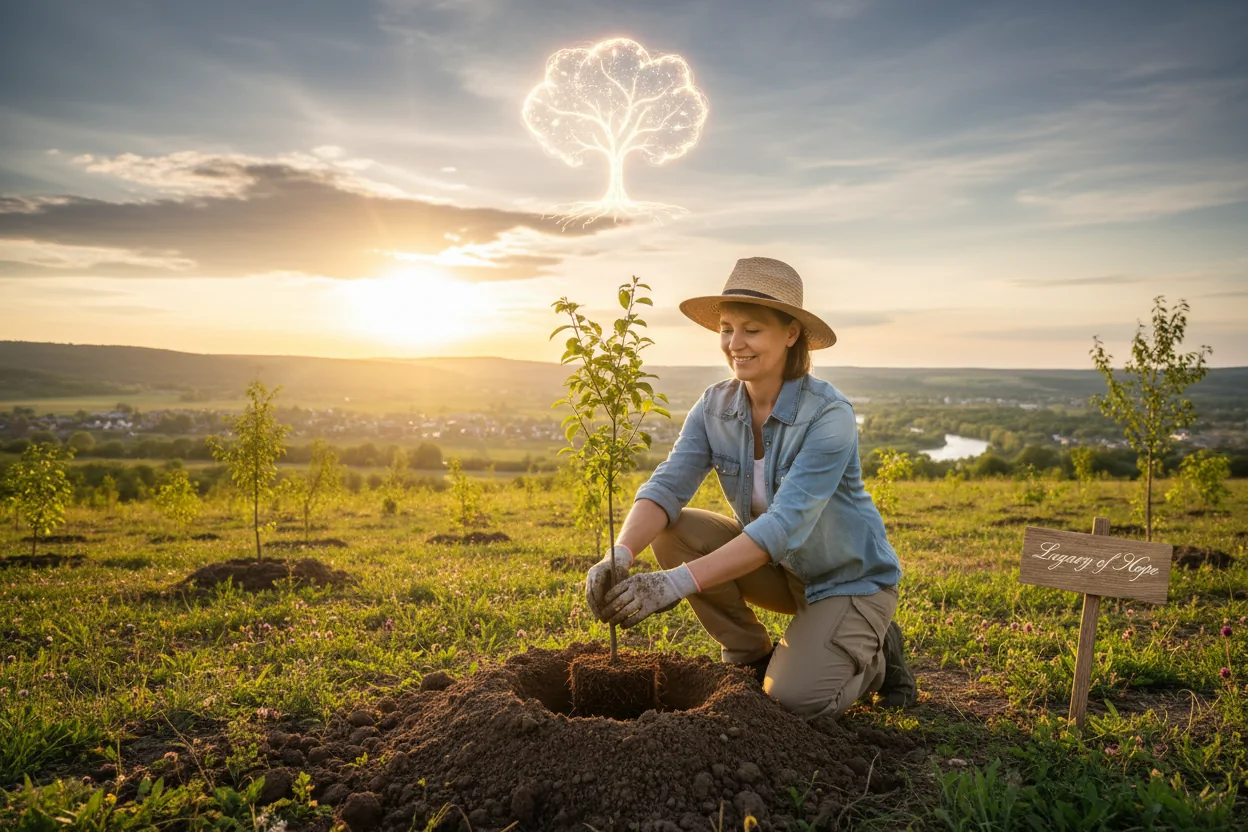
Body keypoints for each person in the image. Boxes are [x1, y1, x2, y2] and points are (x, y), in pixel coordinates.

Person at [584, 256, 916, 719]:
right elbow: (667, 485)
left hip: (846, 581)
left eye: (752, 330)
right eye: (726, 328)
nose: (734, 344)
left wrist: (674, 584)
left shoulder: (828, 415)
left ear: (791, 333)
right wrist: (620, 553)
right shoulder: (715, 405)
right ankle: (750, 656)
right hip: (782, 573)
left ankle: (876, 657)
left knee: (797, 702)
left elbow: (783, 525)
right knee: (672, 531)